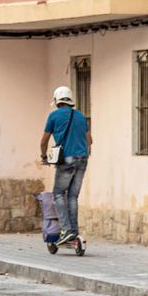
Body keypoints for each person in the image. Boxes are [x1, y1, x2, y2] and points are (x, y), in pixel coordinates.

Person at [40, 86, 92, 245]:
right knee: (73, 196)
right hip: (82, 159)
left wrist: (44, 156)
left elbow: (44, 141)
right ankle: (74, 231)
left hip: (66, 159)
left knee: (58, 193)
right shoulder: (81, 116)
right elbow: (90, 140)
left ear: (57, 101)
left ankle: (66, 230)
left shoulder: (54, 116)